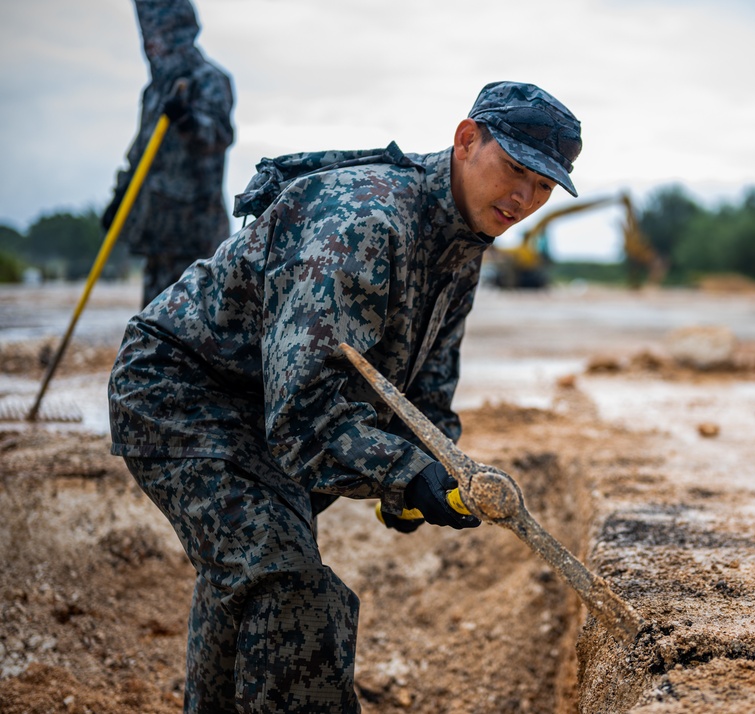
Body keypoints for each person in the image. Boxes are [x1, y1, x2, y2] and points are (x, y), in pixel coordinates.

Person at [108, 80, 582, 712]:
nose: (525, 198)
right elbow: (304, 415)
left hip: (263, 406)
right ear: (466, 140)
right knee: (287, 590)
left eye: (544, 186)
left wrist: (435, 474)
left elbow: (425, 385)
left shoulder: (462, 239)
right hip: (185, 392)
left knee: (251, 583)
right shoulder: (363, 221)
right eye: (515, 169)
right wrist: (407, 476)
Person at [102, 0, 234, 308]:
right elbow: (140, 151)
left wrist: (187, 119)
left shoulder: (209, 79)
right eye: (146, 34)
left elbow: (219, 135)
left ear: (177, 32)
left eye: (158, 34)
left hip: (195, 231)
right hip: (156, 229)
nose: (150, 43)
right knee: (152, 320)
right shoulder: (155, 90)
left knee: (197, 321)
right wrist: (121, 196)